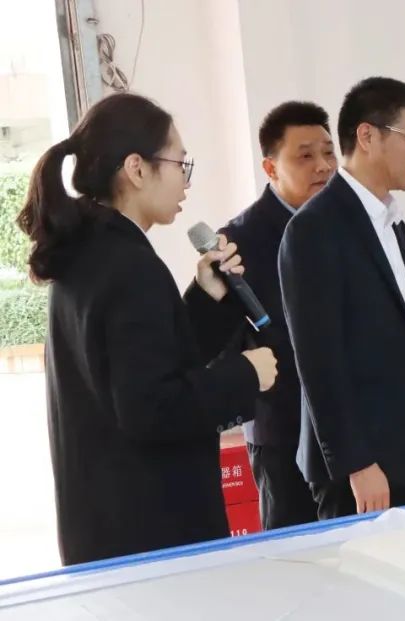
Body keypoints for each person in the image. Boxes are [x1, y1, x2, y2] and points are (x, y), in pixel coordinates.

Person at [17, 93, 278, 565]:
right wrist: (245, 373)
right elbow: (152, 408)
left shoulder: (87, 253)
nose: (186, 181)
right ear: (136, 169)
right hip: (152, 531)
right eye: (180, 164)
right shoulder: (129, 266)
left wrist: (206, 299)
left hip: (108, 526)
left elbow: (145, 364)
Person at [279, 77, 405, 519]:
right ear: (368, 136)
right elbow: (319, 360)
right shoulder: (314, 228)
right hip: (360, 466)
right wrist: (358, 464)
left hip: (404, 449)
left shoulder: (391, 220)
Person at [187, 101, 336, 530]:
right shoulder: (237, 242)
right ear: (271, 168)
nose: (323, 166)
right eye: (305, 156)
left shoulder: (342, 226)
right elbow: (224, 344)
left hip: (349, 428)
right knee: (295, 554)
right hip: (283, 430)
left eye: (329, 153)